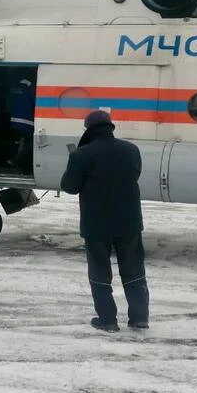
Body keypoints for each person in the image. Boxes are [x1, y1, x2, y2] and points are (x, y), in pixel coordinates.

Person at [60, 110, 149, 332]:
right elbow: (134, 175)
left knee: (100, 272)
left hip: (96, 224)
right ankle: (140, 318)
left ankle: (107, 320)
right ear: (111, 127)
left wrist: (77, 159)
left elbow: (69, 187)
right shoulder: (131, 150)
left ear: (88, 129)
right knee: (134, 270)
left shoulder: (82, 155)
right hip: (129, 222)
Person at [7, 76, 36, 171]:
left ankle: (14, 160)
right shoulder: (31, 88)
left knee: (18, 142)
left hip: (13, 121)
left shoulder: (14, 87)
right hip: (27, 122)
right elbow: (36, 103)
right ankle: (17, 160)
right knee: (33, 143)